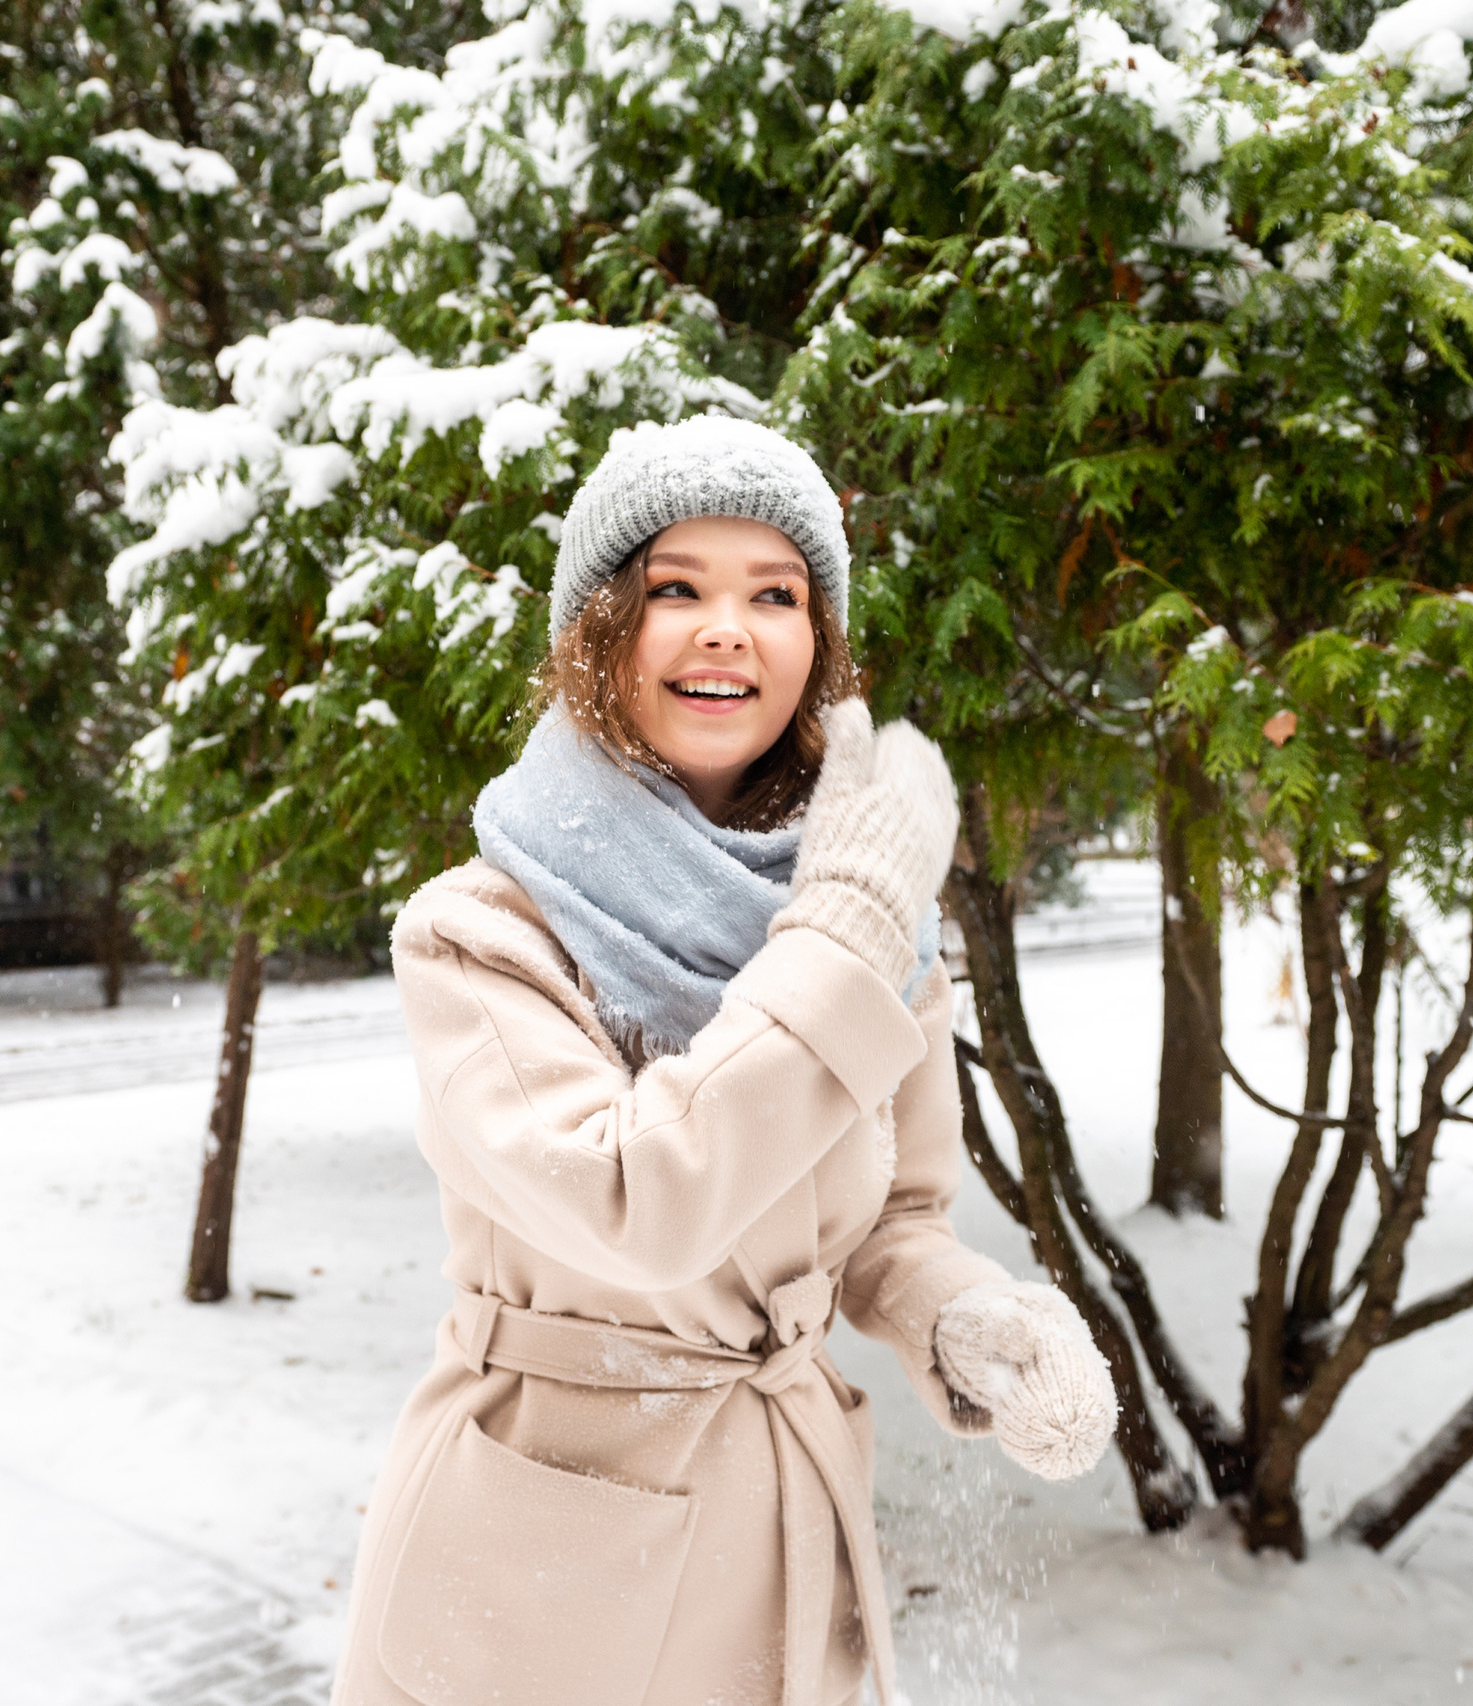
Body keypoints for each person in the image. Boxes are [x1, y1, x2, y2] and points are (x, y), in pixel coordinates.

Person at [332, 416, 1117, 1706]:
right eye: (675, 590)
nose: (727, 630)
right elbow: (633, 1206)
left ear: (817, 644)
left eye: (776, 595)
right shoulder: (483, 931)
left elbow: (888, 1219)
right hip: (540, 1569)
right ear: (600, 629)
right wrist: (848, 937)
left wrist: (960, 1317)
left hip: (787, 1541)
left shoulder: (861, 902)